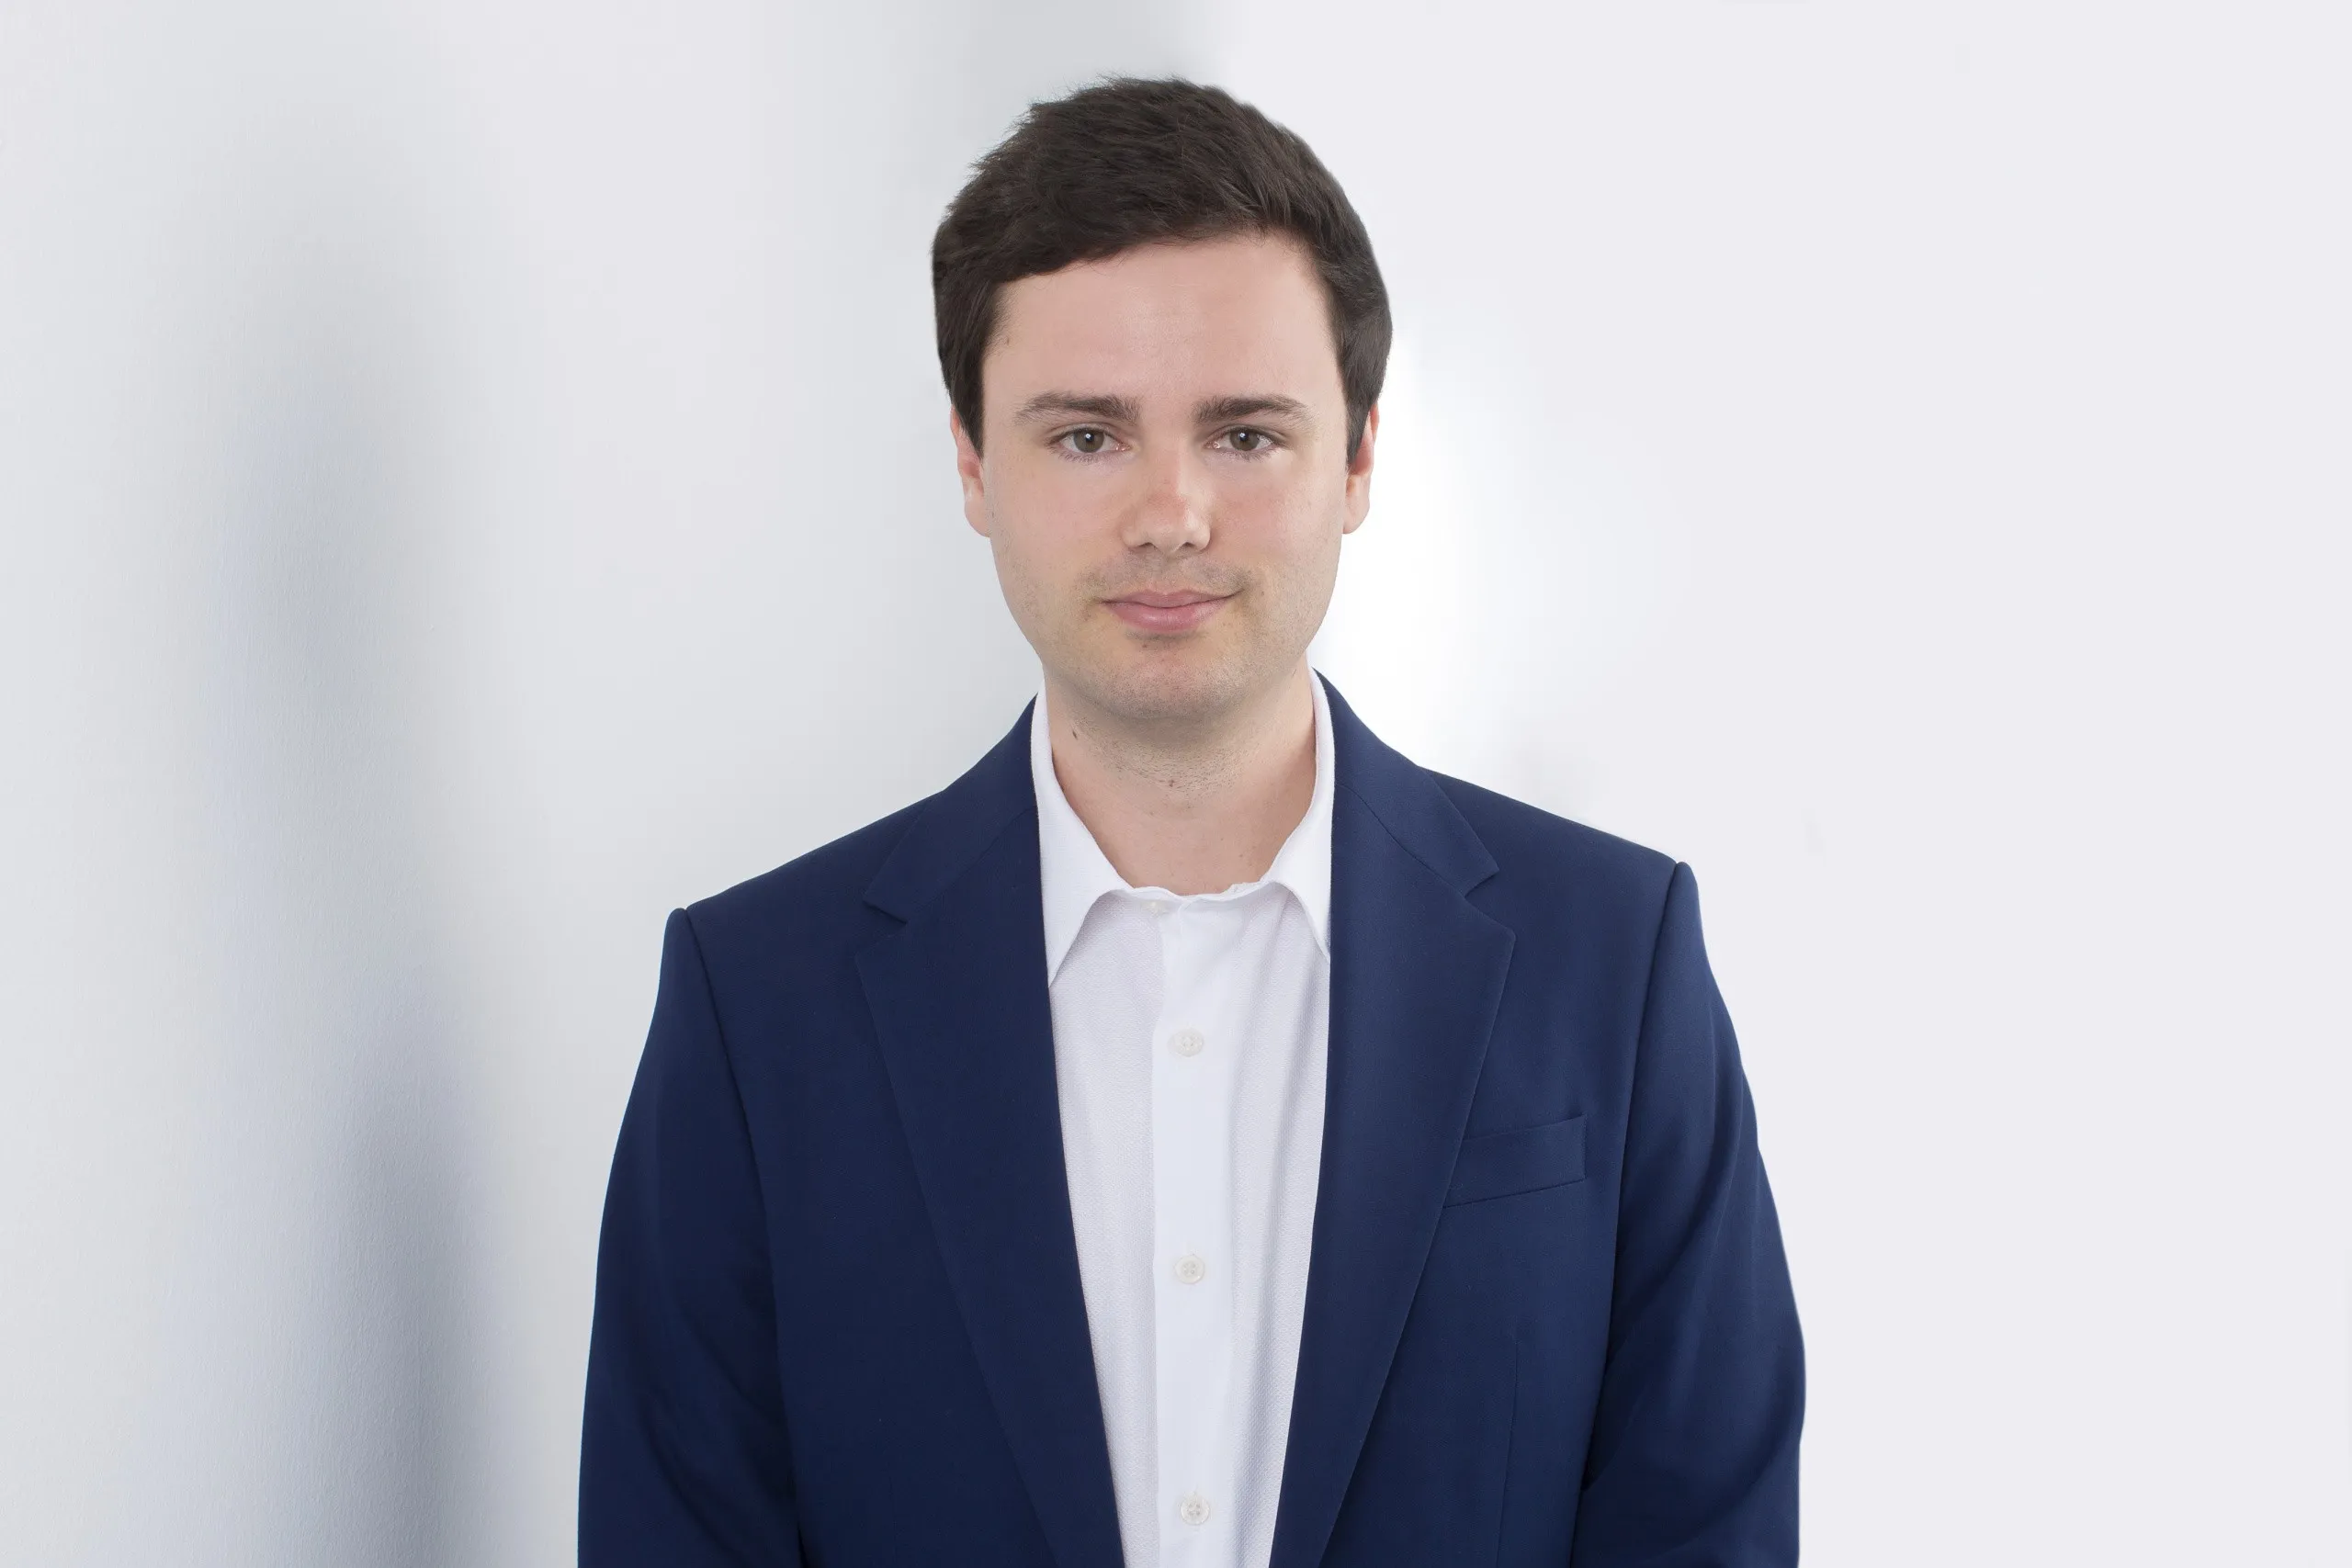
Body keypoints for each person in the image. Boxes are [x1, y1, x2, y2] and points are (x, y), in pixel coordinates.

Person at [579, 77, 1802, 1568]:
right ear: (971, 461)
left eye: (1245, 434)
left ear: (1360, 458)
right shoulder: (756, 1010)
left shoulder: (1614, 966)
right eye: (1087, 436)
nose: (1170, 512)